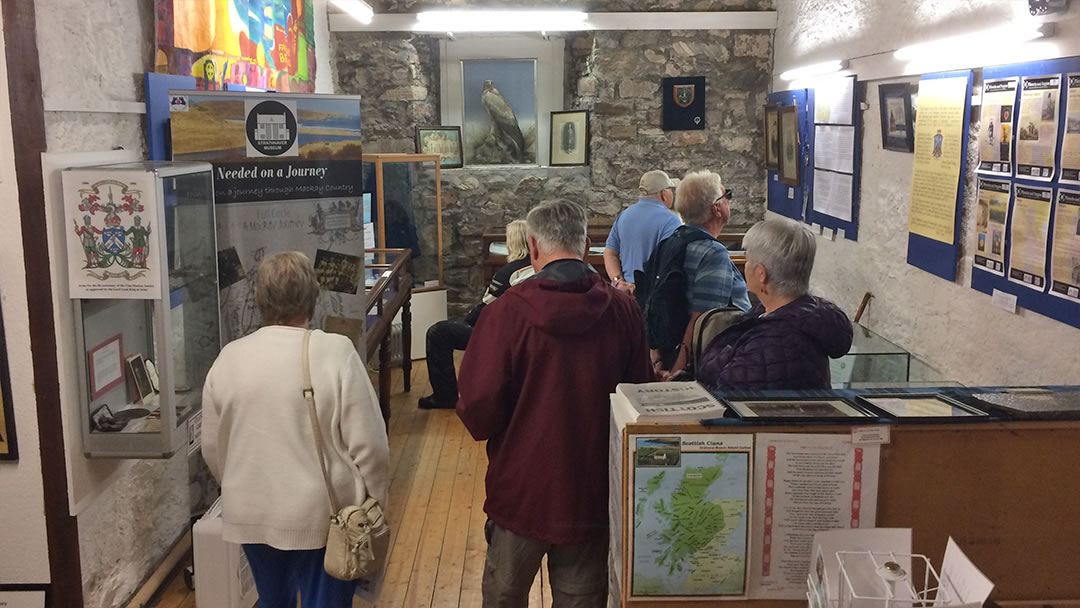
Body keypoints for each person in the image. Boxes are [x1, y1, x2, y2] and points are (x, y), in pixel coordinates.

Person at [457, 200, 653, 607]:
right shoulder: (623, 311)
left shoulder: (506, 313)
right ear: (586, 246)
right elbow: (638, 400)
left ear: (532, 246)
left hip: (521, 488)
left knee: (504, 596)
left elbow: (478, 407)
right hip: (590, 487)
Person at [201, 251, 390, 608]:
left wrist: (241, 484)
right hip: (322, 516)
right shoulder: (335, 351)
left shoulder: (230, 357)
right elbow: (371, 447)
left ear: (260, 300)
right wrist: (374, 502)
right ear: (311, 296)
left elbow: (213, 447)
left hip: (251, 512)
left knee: (272, 600)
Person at [697, 218, 854, 390]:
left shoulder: (777, 342)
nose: (745, 265)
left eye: (747, 259)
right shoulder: (779, 316)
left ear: (761, 274)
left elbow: (724, 391)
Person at [418, 220, 535, 410]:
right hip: (523, 334)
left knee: (438, 332)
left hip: (500, 335)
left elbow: (485, 307)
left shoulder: (507, 273)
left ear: (512, 242)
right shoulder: (538, 268)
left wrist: (464, 323)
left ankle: (445, 396)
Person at [658, 170, 751, 378]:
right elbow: (703, 320)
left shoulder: (671, 242)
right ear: (716, 208)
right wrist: (677, 373)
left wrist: (656, 359)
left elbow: (651, 303)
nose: (728, 201)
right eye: (725, 196)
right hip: (703, 362)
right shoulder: (713, 253)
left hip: (668, 349)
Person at [603, 170, 682, 293]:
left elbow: (609, 253)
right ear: (664, 193)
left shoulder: (624, 215)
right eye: (670, 189)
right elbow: (668, 262)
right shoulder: (671, 220)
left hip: (625, 292)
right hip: (653, 293)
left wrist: (618, 281)